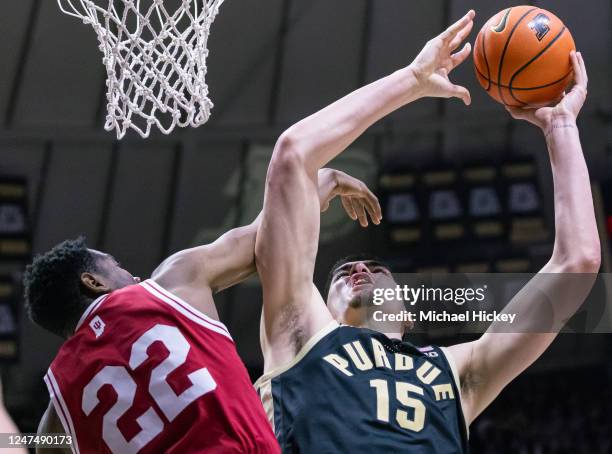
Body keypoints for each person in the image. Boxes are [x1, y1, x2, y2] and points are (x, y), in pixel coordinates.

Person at [254, 9, 600, 452]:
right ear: (321, 304)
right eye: (343, 272)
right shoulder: (298, 330)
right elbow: (292, 155)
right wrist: (412, 80)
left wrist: (562, 127)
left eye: (374, 267)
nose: (359, 267)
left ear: (409, 313)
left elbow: (578, 264)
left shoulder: (458, 372)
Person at [24, 168, 379, 453]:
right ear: (93, 282)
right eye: (116, 266)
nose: (132, 274)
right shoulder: (168, 284)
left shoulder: (58, 415)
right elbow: (266, 238)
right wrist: (321, 182)